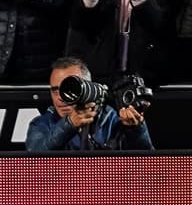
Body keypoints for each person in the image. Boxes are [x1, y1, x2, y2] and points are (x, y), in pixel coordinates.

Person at [25, 56, 153, 151]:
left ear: (88, 88)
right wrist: (69, 124)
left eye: (68, 89)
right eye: (55, 90)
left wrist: (136, 130)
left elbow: (148, 163)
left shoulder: (112, 119)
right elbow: (33, 159)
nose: (61, 98)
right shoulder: (42, 124)